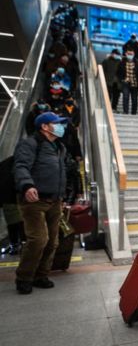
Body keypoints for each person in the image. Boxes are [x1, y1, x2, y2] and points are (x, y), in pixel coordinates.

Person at [13, 112, 68, 295]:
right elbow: (20, 166)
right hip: (34, 200)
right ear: (45, 126)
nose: (62, 127)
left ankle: (41, 275)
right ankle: (24, 277)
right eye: (57, 123)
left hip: (55, 200)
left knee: (52, 241)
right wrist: (27, 185)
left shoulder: (60, 147)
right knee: (38, 240)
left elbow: (59, 173)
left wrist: (63, 195)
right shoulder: (30, 144)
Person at [117, 48, 138, 115]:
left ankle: (134, 113)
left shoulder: (137, 63)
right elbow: (118, 73)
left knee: (134, 99)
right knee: (125, 97)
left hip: (135, 83)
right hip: (126, 83)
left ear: (134, 54)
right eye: (128, 54)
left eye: (131, 54)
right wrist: (122, 80)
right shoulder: (122, 62)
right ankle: (125, 111)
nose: (130, 55)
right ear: (126, 54)